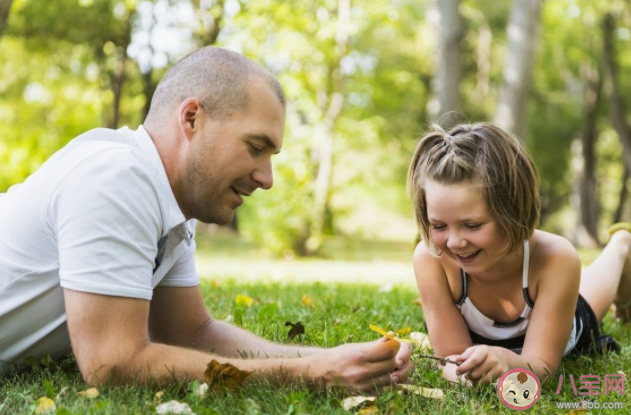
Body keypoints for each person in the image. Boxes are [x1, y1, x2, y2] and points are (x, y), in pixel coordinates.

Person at [0, 47, 413, 391]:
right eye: (256, 147)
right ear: (192, 118)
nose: (267, 179)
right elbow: (113, 366)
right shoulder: (117, 177)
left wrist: (335, 359)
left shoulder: (171, 207)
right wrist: (310, 375)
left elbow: (194, 334)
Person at [407, 122, 631, 385]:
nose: (455, 242)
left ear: (513, 211)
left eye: (472, 225)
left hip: (560, 321)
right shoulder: (431, 259)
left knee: (597, 288)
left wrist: (506, 362)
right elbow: (450, 357)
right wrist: (465, 373)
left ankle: (622, 245)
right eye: (439, 226)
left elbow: (543, 366)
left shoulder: (556, 258)